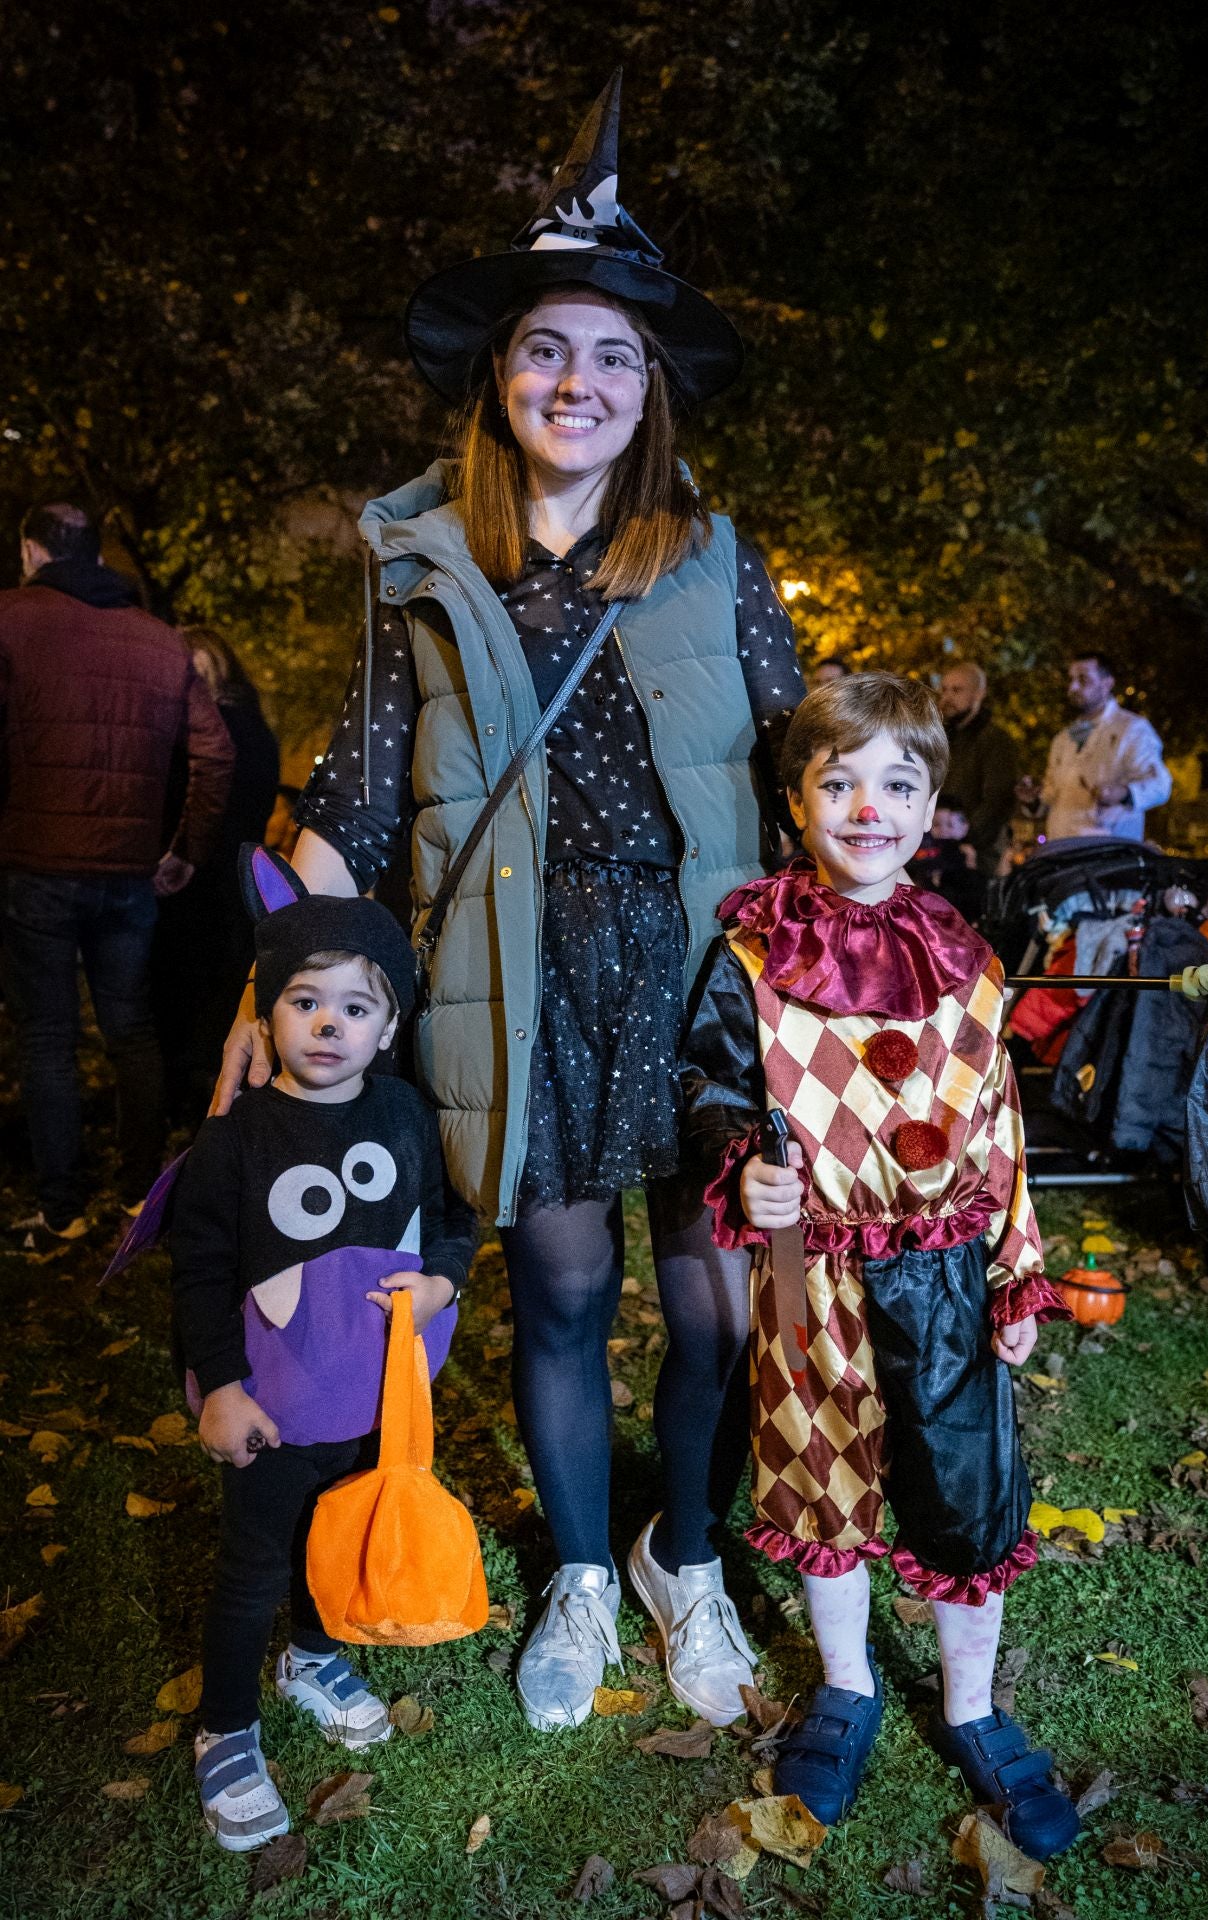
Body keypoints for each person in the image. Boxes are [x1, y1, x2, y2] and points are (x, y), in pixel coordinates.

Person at [213, 77, 807, 1735]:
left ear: (652, 391)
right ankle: (580, 1573)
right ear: (501, 372)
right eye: (550, 347)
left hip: (694, 976)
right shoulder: (418, 559)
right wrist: (286, 997)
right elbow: (353, 795)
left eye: (616, 354)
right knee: (555, 1293)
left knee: (708, 1305)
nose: (580, 379)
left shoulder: (712, 554)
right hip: (515, 980)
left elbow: (801, 747)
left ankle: (683, 1551)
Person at [681, 672, 1080, 1859]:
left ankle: (971, 1702)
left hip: (948, 1261)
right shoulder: (751, 951)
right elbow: (708, 1084)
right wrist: (742, 1157)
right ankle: (848, 1684)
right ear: (794, 801)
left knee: (964, 1486)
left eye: (895, 784)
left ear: (928, 804)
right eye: (837, 782)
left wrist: (1015, 1270)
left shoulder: (963, 955)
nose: (867, 807)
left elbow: (1001, 1124)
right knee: (821, 1471)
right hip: (809, 1265)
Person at [173, 850, 475, 1851]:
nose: (328, 1025)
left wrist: (439, 1278)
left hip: (374, 1393)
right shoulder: (233, 1142)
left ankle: (309, 1653)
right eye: (304, 1002)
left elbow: (448, 1220)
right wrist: (220, 1386)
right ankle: (225, 1724)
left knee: (337, 1531)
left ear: (387, 1029)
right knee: (255, 1560)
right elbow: (202, 1273)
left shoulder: (404, 1116)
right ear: (265, 1021)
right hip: (276, 1400)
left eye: (354, 1008)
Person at [0, 503, 234, 1246]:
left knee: (47, 1037)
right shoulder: (161, 641)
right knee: (129, 1029)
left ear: (33, 550)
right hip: (130, 872)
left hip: (32, 862)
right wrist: (185, 848)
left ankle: (60, 1208)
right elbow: (217, 753)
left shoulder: (11, 618)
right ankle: (138, 1192)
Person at [153, 628, 281, 1120]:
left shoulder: (203, 735)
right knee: (223, 993)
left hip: (194, 882)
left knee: (182, 993)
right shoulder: (256, 729)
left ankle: (185, 1102)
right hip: (237, 883)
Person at [1017, 652, 1171, 843]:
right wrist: (1033, 799)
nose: (1073, 687)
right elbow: (1051, 797)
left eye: (1083, 679)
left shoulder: (1132, 729)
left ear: (1107, 683)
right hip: (1062, 852)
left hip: (1109, 853)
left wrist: (1123, 793)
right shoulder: (1063, 739)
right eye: (1071, 679)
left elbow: (1160, 786)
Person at [936, 660, 1019, 874]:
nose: (947, 698)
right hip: (942, 850)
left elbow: (997, 801)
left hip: (978, 858)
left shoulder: (995, 741)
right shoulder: (942, 740)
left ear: (979, 693)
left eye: (957, 690)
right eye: (944, 690)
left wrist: (967, 838)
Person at [909, 790, 986, 923]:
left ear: (965, 827)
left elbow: (974, 900)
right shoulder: (924, 854)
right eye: (936, 825)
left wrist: (971, 865)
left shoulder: (968, 854)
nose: (943, 831)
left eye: (950, 825)